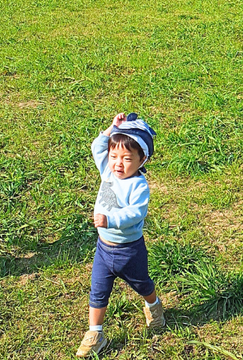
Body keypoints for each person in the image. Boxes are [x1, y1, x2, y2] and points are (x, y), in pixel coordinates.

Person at [76, 112, 165, 357]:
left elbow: (135, 214)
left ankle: (153, 305)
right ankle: (95, 332)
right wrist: (111, 129)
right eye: (114, 156)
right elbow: (97, 146)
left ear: (142, 159)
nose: (118, 163)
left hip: (129, 250)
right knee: (98, 290)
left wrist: (110, 219)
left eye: (126, 158)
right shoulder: (107, 170)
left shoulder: (138, 186)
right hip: (104, 249)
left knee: (142, 284)